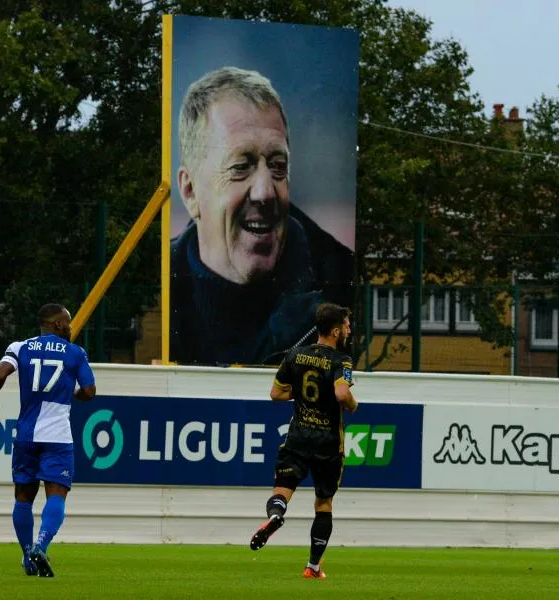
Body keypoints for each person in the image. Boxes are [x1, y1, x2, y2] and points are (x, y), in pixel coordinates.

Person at [170, 66, 353, 366]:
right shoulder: (155, 290)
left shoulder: (335, 287)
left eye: (277, 166)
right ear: (190, 191)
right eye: (241, 166)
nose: (265, 192)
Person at [0, 303, 96, 578]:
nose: (71, 327)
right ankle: (41, 546)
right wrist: (71, 396)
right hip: (57, 437)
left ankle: (27, 556)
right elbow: (90, 391)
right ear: (56, 325)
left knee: (23, 498)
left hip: (26, 436)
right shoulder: (75, 352)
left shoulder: (20, 347)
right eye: (68, 322)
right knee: (57, 494)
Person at [249, 302, 358, 580]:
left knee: (282, 490)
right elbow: (342, 395)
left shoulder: (295, 355)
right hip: (328, 443)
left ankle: (275, 515)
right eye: (346, 325)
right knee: (323, 504)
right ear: (335, 331)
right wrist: (353, 405)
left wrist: (299, 395)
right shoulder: (340, 360)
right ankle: (313, 566)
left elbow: (275, 393)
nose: (348, 329)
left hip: (297, 437)